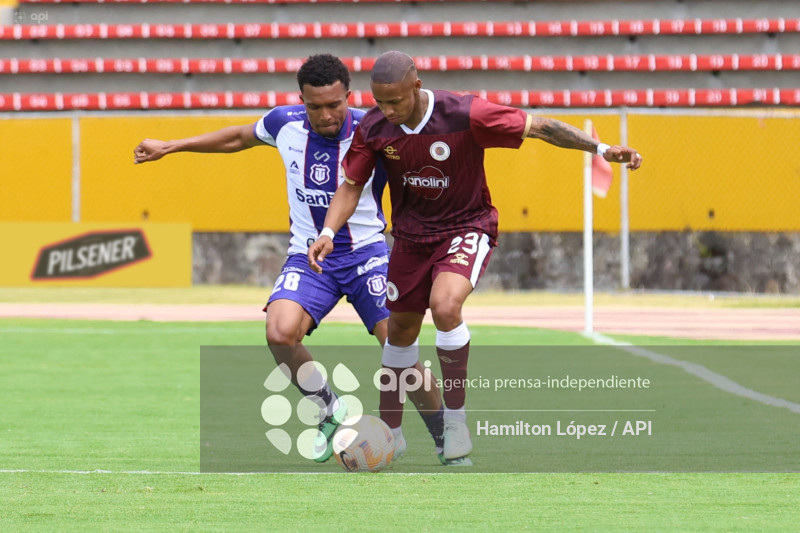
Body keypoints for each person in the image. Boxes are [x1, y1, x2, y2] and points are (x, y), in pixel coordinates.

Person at [308, 50, 643, 465]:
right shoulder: (376, 128)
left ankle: (455, 422)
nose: (388, 109)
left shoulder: (465, 113)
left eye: (396, 100)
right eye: (380, 101)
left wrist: (601, 147)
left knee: (445, 305)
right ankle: (390, 432)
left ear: (417, 85)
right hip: (412, 238)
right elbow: (352, 184)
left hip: (467, 227)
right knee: (400, 331)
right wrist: (327, 231)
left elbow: (541, 127)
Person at [133, 54, 444, 465]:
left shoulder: (376, 129)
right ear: (301, 99)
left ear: (348, 97)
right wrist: (172, 146)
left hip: (367, 254)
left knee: (398, 347)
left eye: (334, 105)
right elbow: (237, 138)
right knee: (279, 333)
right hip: (309, 256)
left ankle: (446, 433)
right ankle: (330, 411)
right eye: (315, 106)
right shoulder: (284, 123)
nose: (326, 115)